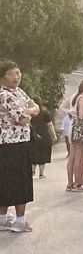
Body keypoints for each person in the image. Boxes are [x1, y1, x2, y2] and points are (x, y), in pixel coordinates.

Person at [0, 61, 39, 233]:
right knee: (18, 181)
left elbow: (35, 108)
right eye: (13, 73)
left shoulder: (18, 92)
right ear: (4, 76)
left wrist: (30, 110)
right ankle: (21, 220)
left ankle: (2, 218)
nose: (18, 76)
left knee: (7, 180)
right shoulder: (4, 95)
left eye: (19, 73)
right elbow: (22, 118)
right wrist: (30, 111)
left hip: (18, 142)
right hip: (12, 144)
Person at [29, 105, 56, 178]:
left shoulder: (30, 112)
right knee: (43, 153)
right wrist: (54, 135)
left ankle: (32, 172)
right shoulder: (45, 113)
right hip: (44, 134)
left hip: (33, 134)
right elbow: (50, 125)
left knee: (33, 153)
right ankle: (41, 174)